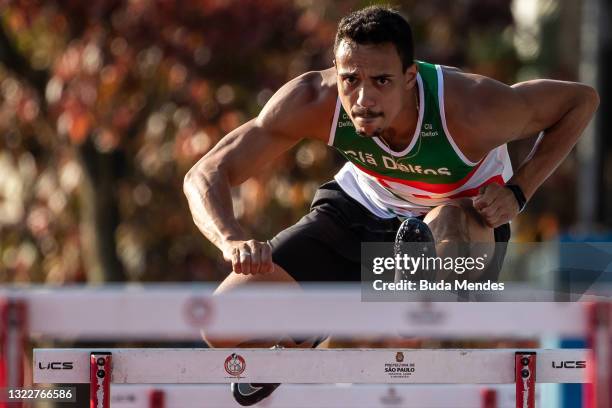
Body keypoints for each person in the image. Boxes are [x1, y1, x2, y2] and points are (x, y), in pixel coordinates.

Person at [183, 6, 599, 405]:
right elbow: (204, 174)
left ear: (409, 76)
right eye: (351, 80)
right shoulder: (315, 100)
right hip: (359, 210)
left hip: (458, 225)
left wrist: (518, 191)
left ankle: (414, 297)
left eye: (381, 81)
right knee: (218, 327)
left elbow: (580, 101)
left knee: (446, 225)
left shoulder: (473, 107)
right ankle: (304, 333)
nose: (363, 98)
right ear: (336, 73)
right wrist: (231, 240)